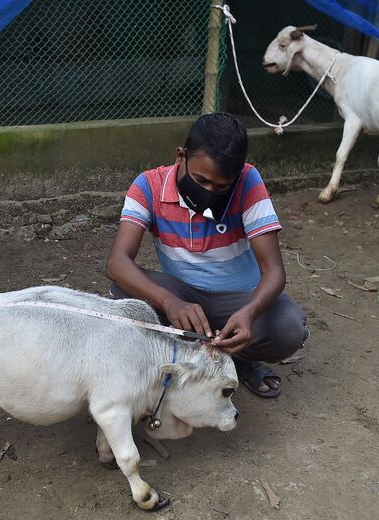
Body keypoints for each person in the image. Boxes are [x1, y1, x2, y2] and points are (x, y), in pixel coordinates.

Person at [106, 112, 307, 398]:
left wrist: (249, 313)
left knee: (287, 328)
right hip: (182, 295)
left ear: (236, 174)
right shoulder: (148, 186)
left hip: (238, 299)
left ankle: (240, 359)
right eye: (200, 179)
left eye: (221, 186)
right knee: (122, 292)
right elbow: (117, 262)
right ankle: (189, 355)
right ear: (180, 156)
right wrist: (169, 301)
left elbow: (274, 270)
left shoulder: (248, 181)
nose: (209, 191)